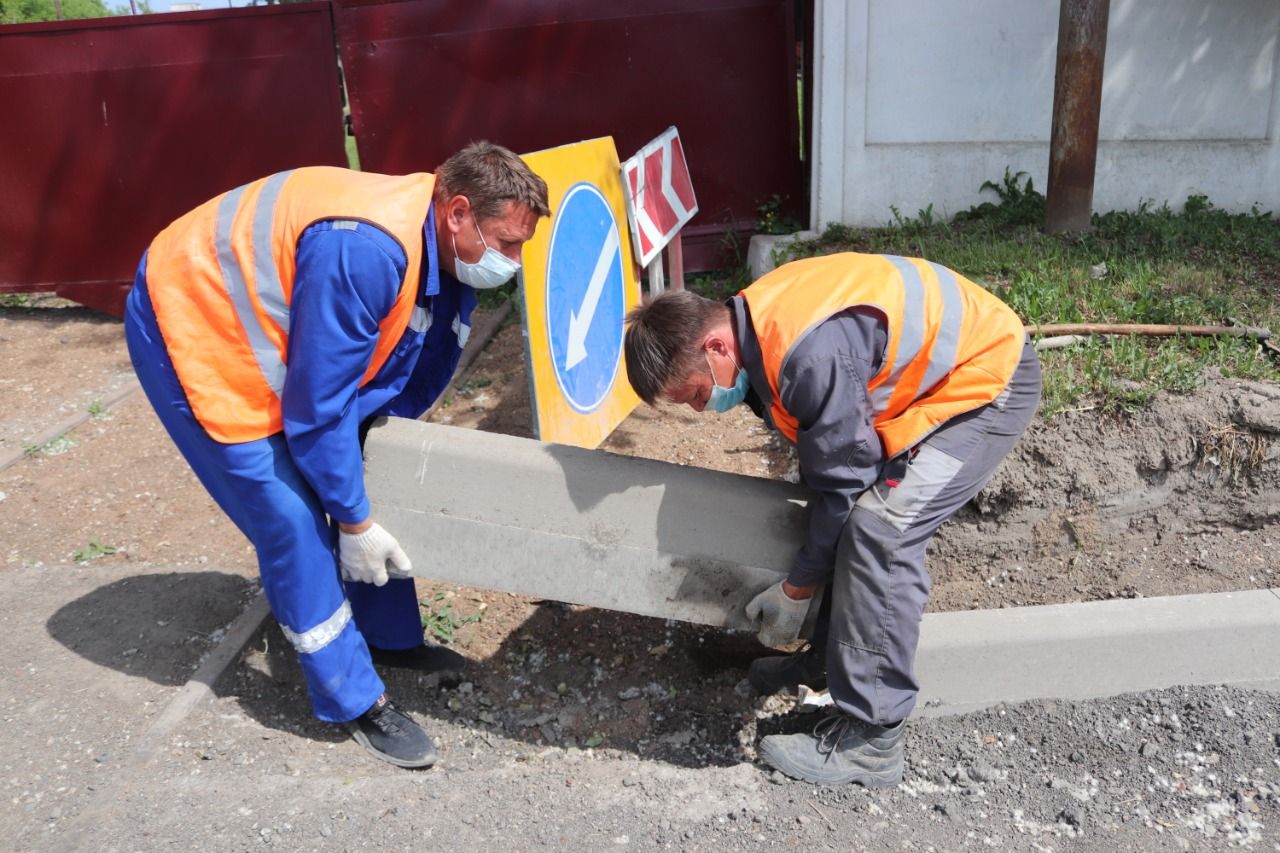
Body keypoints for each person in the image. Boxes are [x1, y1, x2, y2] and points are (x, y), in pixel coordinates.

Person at [124, 142, 549, 769]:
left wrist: (363, 483)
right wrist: (352, 521)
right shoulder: (366, 252)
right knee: (291, 516)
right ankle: (352, 699)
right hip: (191, 321)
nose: (512, 261)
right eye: (507, 242)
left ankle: (390, 638)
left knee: (361, 464)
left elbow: (380, 390)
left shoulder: (432, 239)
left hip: (250, 322)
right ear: (457, 211)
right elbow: (317, 409)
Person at [623, 251, 1040, 786]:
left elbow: (845, 484)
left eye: (698, 394)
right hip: (940, 379)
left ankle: (873, 735)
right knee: (831, 509)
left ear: (716, 346)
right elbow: (833, 469)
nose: (703, 410)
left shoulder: (805, 354)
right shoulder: (756, 328)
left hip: (988, 381)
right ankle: (829, 661)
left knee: (880, 530)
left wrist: (796, 589)